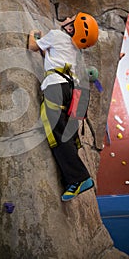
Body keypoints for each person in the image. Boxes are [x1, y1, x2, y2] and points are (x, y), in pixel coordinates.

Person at [28, 12, 99, 201]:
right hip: (73, 90)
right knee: (68, 134)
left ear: (70, 28)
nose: (67, 18)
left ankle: (79, 178)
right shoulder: (75, 48)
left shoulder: (56, 35)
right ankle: (72, 179)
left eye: (71, 19)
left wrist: (33, 33)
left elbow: (33, 46)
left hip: (56, 87)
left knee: (57, 133)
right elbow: (51, 55)